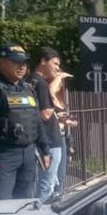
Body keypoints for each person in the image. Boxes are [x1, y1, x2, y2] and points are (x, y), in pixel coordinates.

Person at [0, 44, 52, 200]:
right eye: (16, 62)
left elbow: (37, 120)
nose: (21, 67)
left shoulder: (28, 88)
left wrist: (45, 149)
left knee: (24, 202)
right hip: (3, 154)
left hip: (28, 153)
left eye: (24, 63)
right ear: (2, 62)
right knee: (0, 204)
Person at [31, 47, 65, 199]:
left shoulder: (28, 81)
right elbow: (45, 114)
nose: (58, 68)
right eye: (55, 63)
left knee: (46, 180)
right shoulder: (41, 84)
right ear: (43, 61)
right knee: (48, 182)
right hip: (50, 139)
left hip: (40, 138)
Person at [50, 72, 77, 191]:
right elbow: (50, 91)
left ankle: (59, 196)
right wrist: (59, 76)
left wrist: (67, 121)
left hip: (62, 135)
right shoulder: (48, 93)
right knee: (51, 175)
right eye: (60, 80)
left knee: (61, 172)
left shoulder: (61, 96)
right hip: (52, 136)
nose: (61, 83)